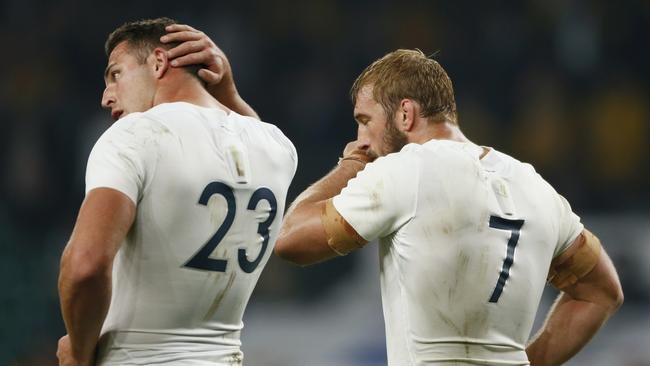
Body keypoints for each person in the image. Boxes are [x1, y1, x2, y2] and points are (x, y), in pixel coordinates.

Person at [274, 49, 623, 365]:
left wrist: (351, 164)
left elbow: (290, 240)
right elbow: (601, 293)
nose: (361, 137)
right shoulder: (536, 188)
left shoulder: (405, 171)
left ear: (405, 113)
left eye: (365, 121)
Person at [57, 18, 297, 366]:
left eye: (115, 74)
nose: (106, 95)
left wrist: (78, 354)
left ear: (158, 62)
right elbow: (244, 133)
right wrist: (227, 92)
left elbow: (84, 266)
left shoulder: (133, 136)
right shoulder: (278, 147)